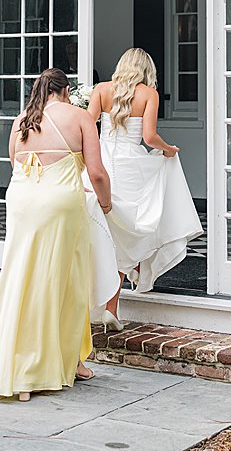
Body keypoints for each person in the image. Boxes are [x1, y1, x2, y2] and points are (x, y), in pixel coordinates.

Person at [0, 68, 112, 401]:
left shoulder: (22, 119)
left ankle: (15, 369)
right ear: (66, 91)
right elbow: (96, 172)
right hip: (59, 206)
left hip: (22, 202)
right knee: (62, 281)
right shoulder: (80, 117)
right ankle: (50, 366)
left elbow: (16, 166)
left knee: (20, 278)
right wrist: (107, 204)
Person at [87, 48, 203, 323]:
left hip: (103, 161)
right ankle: (114, 303)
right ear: (145, 70)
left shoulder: (102, 90)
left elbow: (87, 124)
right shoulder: (148, 94)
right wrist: (169, 149)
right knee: (134, 227)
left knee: (108, 232)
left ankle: (115, 297)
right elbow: (150, 137)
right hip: (131, 168)